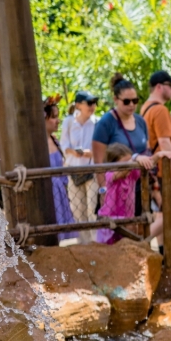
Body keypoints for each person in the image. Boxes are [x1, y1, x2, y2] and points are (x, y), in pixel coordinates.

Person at [91, 74, 162, 242]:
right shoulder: (105, 123)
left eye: (135, 101)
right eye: (127, 101)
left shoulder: (141, 122)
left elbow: (146, 152)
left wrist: (154, 187)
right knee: (116, 238)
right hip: (115, 191)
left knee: (140, 233)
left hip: (139, 188)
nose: (132, 105)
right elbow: (99, 163)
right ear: (116, 99)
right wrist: (103, 192)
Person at [140, 70, 171, 219]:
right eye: (170, 85)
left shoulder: (145, 108)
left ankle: (159, 244)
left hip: (155, 169)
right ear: (159, 87)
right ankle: (145, 241)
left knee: (162, 212)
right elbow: (164, 142)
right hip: (163, 171)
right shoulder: (160, 110)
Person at [60, 90, 99, 230]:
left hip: (92, 171)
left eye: (94, 103)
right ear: (78, 105)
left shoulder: (97, 123)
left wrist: (90, 153)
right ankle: (83, 244)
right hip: (73, 170)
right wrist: (73, 152)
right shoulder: (68, 122)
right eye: (89, 102)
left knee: (92, 209)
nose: (92, 106)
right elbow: (63, 144)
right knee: (78, 211)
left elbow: (102, 148)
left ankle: (95, 244)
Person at [43, 96, 76, 243]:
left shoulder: (55, 140)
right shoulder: (38, 144)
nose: (58, 120)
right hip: (46, 195)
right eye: (54, 117)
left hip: (60, 191)